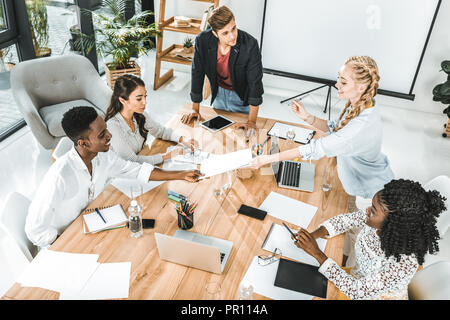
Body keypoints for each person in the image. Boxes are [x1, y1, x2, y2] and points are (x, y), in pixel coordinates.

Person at [250, 56, 394, 266]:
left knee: (356, 241)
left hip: (368, 193)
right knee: (347, 234)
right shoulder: (364, 103)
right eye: (339, 78)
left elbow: (316, 148)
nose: (337, 84)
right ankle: (346, 260)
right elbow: (336, 128)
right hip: (359, 182)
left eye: (344, 82)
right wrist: (308, 118)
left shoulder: (362, 125)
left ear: (362, 86)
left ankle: (349, 269)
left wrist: (268, 158)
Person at [25, 106, 203, 249]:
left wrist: (180, 174)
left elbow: (136, 170)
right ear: (83, 143)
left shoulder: (103, 155)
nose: (110, 136)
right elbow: (34, 230)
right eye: (102, 135)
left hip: (95, 223)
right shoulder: (59, 176)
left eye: (106, 130)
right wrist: (64, 241)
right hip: (67, 239)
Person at [292, 179, 446, 300]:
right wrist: (313, 236)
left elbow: (357, 291)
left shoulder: (404, 264)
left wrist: (317, 253)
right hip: (354, 278)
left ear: (392, 224)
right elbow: (346, 220)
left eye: (373, 210)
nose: (366, 210)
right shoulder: (376, 222)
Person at [181, 5, 264, 133]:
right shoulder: (202, 41)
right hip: (218, 94)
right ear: (215, 33)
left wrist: (252, 122)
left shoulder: (250, 44)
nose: (232, 36)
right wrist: (195, 109)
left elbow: (255, 83)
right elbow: (197, 72)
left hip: (241, 97)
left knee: (242, 136)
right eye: (225, 33)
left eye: (233, 28)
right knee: (218, 133)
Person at [105, 74, 198, 165]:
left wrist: (182, 139)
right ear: (123, 100)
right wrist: (167, 156)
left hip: (142, 162)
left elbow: (160, 131)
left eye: (145, 96)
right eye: (139, 99)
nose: (145, 102)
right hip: (121, 174)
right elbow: (132, 161)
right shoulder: (113, 126)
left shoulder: (139, 114)